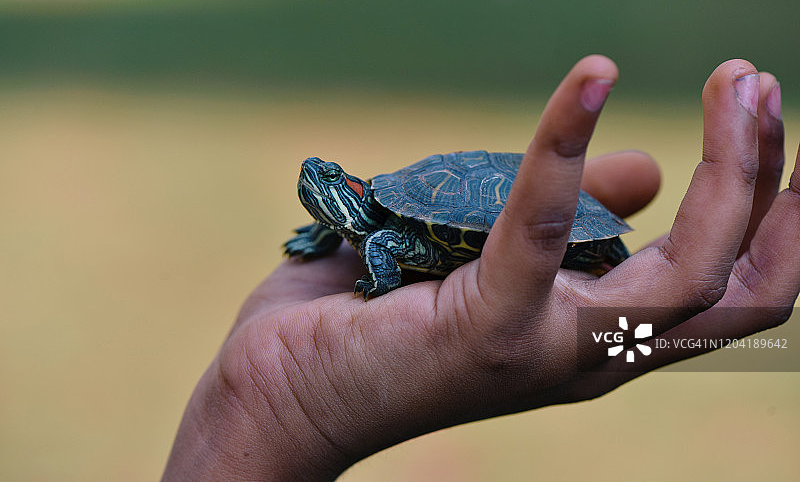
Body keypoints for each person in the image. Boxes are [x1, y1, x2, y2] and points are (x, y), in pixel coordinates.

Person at [162, 56, 797, 481]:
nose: (317, 180)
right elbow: (370, 234)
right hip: (441, 222)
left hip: (509, 223)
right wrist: (280, 397)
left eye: (331, 181)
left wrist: (366, 282)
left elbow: (379, 245)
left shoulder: (381, 232)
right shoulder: (371, 225)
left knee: (595, 261)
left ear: (351, 191)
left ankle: (606, 258)